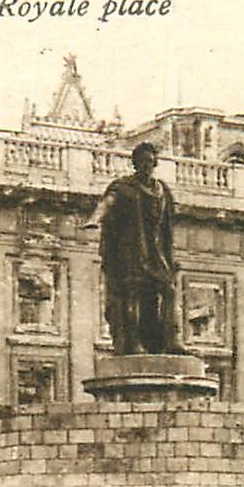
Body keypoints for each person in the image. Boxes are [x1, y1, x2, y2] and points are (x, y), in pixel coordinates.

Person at [85, 142, 182, 355]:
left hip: (156, 252)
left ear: (154, 163)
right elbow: (107, 203)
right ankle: (133, 342)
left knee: (169, 289)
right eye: (142, 162)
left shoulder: (162, 190)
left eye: (149, 161)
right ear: (135, 163)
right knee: (133, 294)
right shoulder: (124, 186)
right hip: (133, 251)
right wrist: (94, 219)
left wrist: (170, 255)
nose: (146, 165)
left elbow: (167, 226)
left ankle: (171, 340)